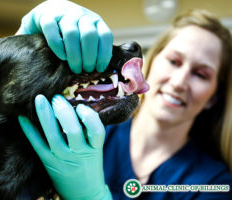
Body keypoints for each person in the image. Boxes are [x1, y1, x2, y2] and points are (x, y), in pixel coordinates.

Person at [18, 0, 232, 199]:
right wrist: (22, 51)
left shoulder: (213, 183)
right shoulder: (84, 131)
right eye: (174, 61)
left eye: (201, 75)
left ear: (214, 96)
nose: (178, 82)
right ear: (150, 62)